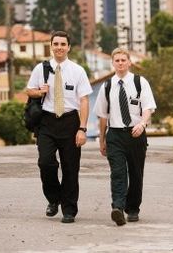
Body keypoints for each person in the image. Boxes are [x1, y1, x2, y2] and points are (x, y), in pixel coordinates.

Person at [26, 30, 92, 223]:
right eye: (56, 44)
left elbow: (84, 100)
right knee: (45, 162)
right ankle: (54, 199)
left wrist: (82, 128)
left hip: (70, 121)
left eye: (63, 44)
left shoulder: (78, 70)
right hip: (47, 121)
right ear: (51, 46)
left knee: (71, 168)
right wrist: (39, 92)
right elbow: (29, 90)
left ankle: (69, 209)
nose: (59, 47)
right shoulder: (41, 68)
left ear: (69, 47)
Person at [93, 47, 156, 226]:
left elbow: (148, 108)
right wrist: (102, 140)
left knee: (136, 173)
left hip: (136, 134)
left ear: (129, 62)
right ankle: (118, 208)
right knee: (118, 173)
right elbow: (103, 116)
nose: (120, 63)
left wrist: (142, 124)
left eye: (123, 60)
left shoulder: (139, 82)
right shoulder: (107, 86)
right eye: (117, 60)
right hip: (115, 135)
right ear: (112, 63)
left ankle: (133, 208)